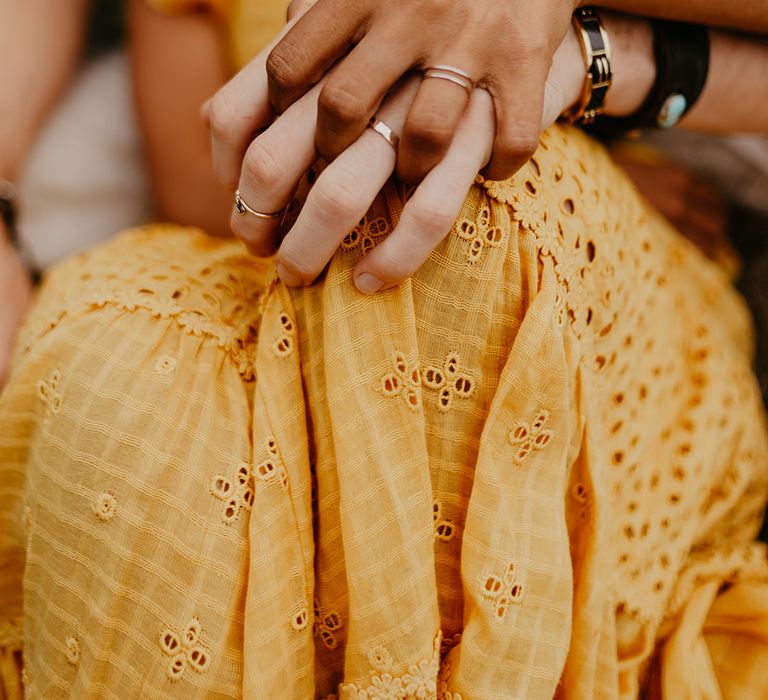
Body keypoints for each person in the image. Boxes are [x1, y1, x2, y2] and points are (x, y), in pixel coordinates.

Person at [1, 2, 768, 699]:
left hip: (568, 203)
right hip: (272, 263)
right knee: (112, 386)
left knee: (461, 232)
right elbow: (210, 183)